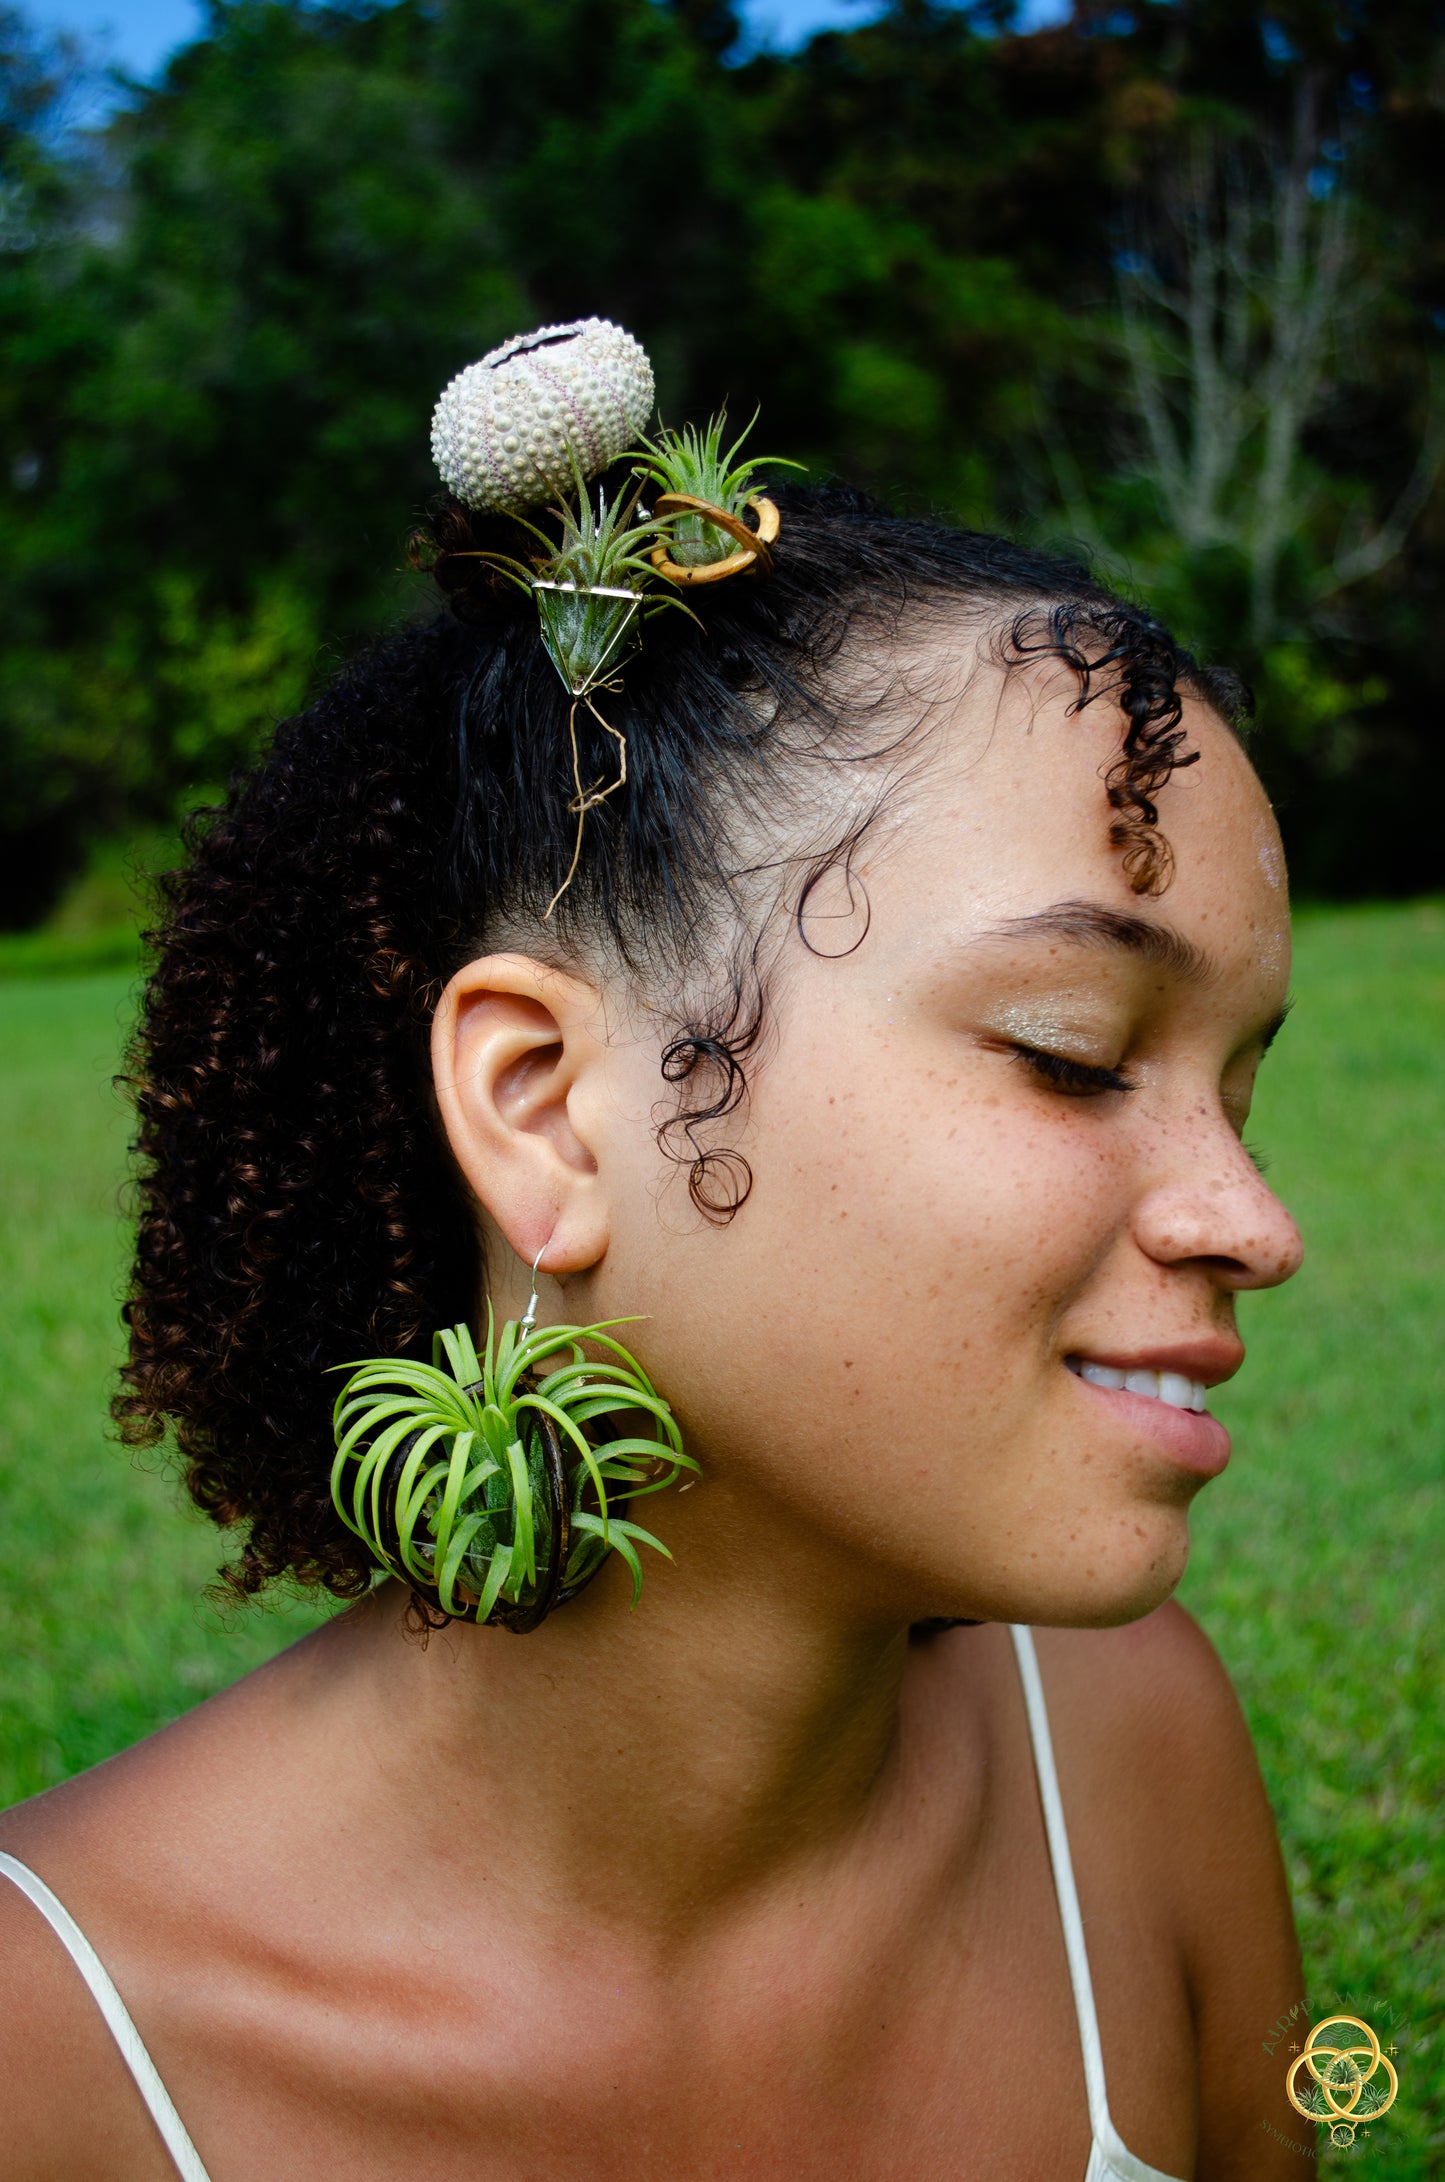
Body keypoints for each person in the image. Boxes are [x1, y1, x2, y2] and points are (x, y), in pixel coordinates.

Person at [0, 332, 1318, 2178]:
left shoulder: (1127, 1739)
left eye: (1237, 1093)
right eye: (1074, 1051)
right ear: (543, 1109)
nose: (1249, 1222)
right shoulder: (51, 2054)